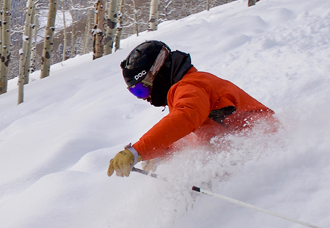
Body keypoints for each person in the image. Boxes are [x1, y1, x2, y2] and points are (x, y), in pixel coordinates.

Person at [107, 40, 275, 177]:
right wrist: (160, 153)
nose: (146, 98)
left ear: (158, 73)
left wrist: (137, 151)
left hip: (265, 149)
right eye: (136, 93)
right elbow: (190, 135)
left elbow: (185, 118)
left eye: (142, 89)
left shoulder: (192, 86)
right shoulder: (185, 91)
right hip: (250, 152)